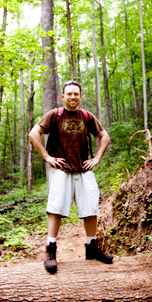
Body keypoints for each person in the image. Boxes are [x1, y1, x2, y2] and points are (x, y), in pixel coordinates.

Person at [28, 80, 112, 273]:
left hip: (84, 169)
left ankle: (92, 248)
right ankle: (50, 250)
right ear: (63, 96)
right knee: (56, 209)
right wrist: (47, 157)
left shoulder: (86, 116)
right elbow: (34, 133)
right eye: (69, 94)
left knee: (90, 208)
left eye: (76, 94)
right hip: (62, 170)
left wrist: (97, 158)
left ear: (80, 97)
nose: (73, 97)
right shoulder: (55, 115)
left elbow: (104, 136)